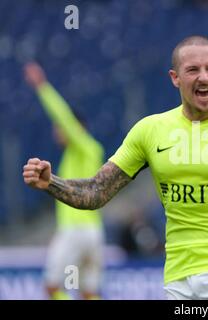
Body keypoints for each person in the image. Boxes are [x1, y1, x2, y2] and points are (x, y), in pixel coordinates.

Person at [23, 36, 208, 300]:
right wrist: (51, 183)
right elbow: (96, 191)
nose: (203, 77)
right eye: (192, 70)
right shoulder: (149, 131)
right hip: (178, 278)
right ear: (175, 77)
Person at [23, 62, 105, 300]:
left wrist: (42, 86)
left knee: (52, 287)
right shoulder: (82, 153)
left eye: (60, 127)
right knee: (89, 293)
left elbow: (64, 117)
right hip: (93, 231)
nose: (57, 131)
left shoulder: (84, 145)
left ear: (76, 127)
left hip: (75, 230)